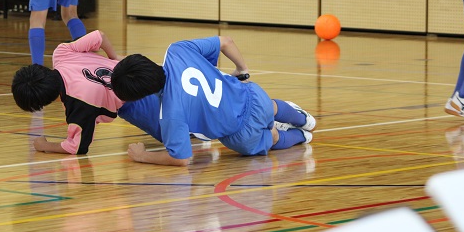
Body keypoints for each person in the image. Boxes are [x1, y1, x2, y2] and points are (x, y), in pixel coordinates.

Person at [110, 36, 316, 167]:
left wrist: (142, 156)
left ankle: (302, 136)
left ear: (140, 96)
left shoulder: (171, 114)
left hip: (240, 135)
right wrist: (242, 69)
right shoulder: (177, 51)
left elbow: (180, 158)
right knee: (272, 106)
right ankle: (304, 119)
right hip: (252, 98)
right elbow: (226, 42)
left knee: (273, 138)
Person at [11, 30, 162, 155]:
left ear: (41, 104)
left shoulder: (77, 104)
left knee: (179, 133)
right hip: (140, 72)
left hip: (136, 103)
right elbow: (99, 36)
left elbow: (76, 147)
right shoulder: (61, 53)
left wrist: (44, 145)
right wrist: (114, 57)